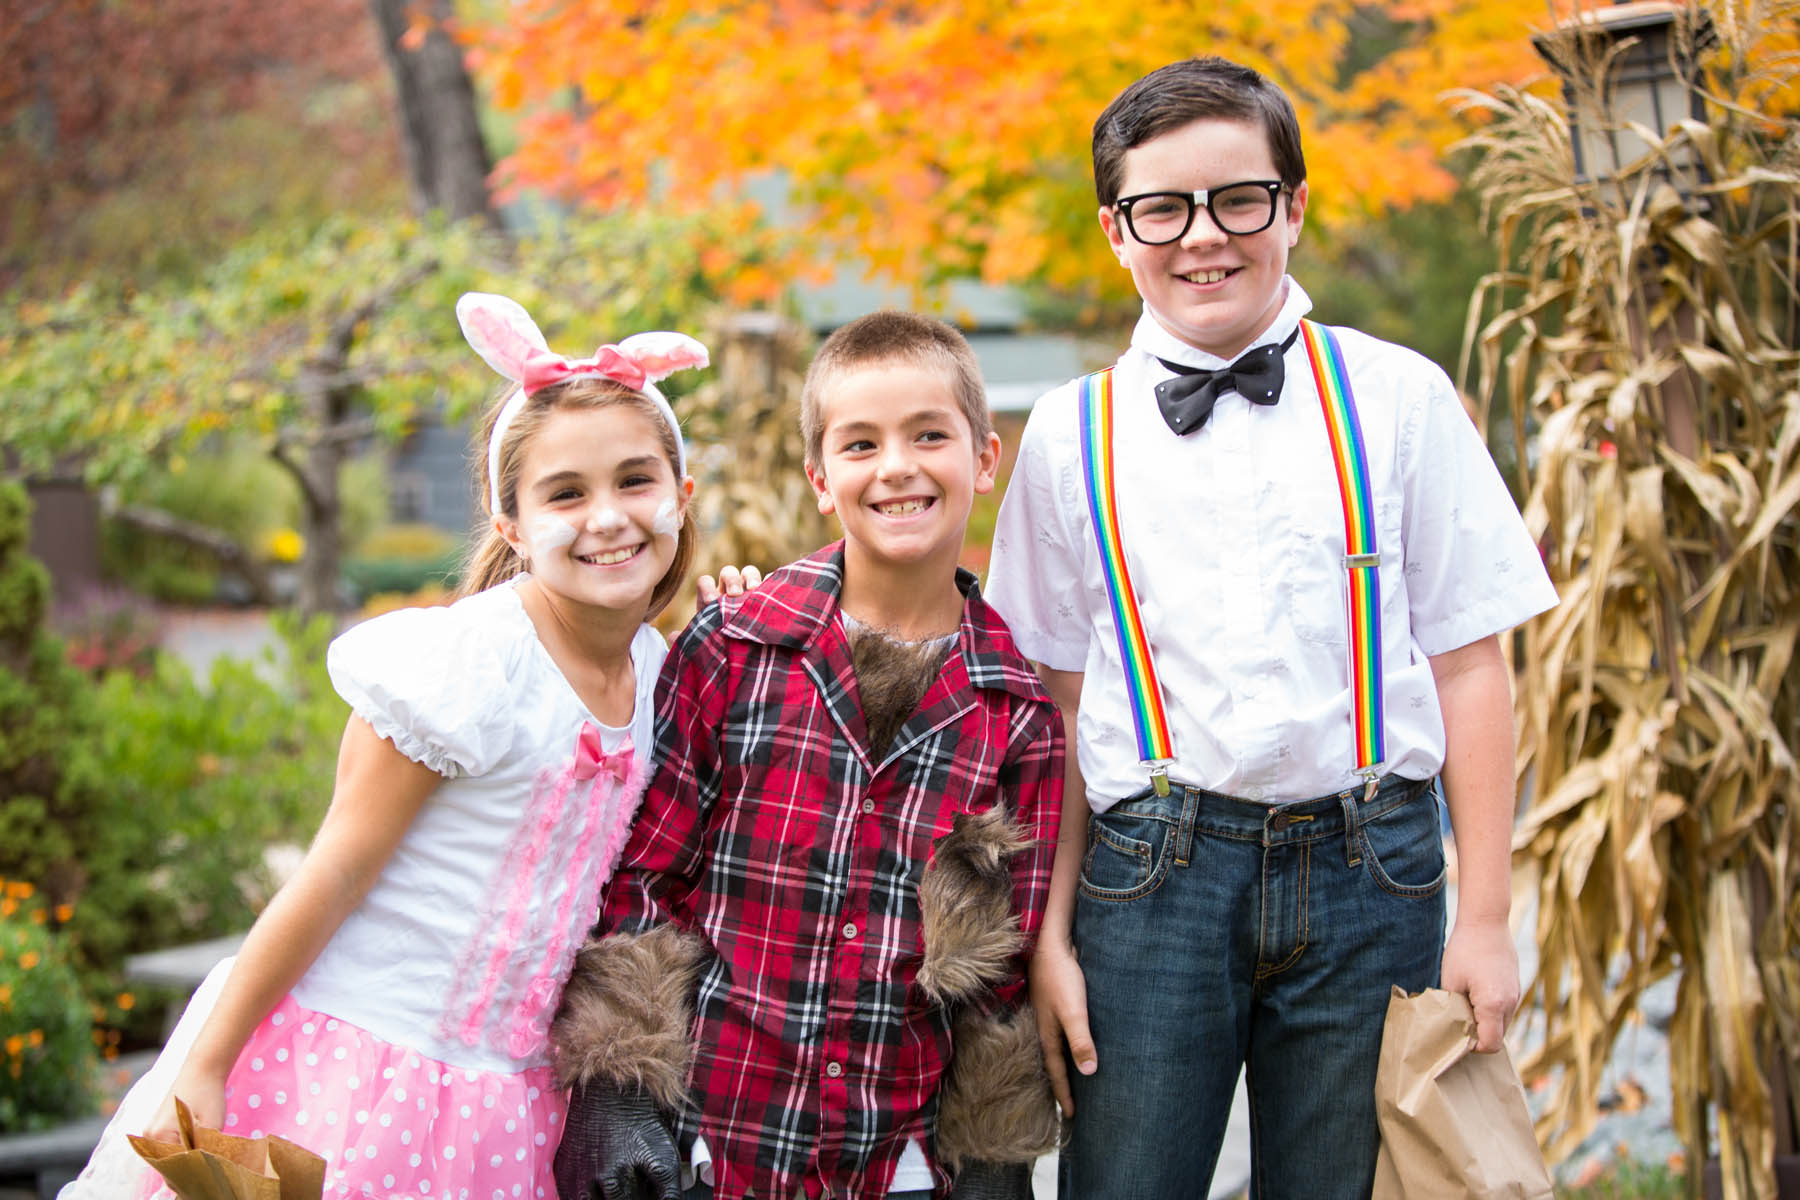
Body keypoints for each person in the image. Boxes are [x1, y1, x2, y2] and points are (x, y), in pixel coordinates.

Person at [981, 56, 1560, 1199]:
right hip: (1153, 879)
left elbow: (1471, 662)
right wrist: (1046, 940)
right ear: (1115, 228)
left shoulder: (1397, 395)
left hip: (1373, 869)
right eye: (1164, 208)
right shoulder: (1067, 433)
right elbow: (1053, 706)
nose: (1204, 237)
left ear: (1293, 205)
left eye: (1238, 199)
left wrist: (1484, 918)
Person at [62, 293, 711, 1200]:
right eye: (566, 493)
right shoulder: (472, 663)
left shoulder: (664, 672)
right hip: (364, 1065)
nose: (607, 518)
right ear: (511, 521)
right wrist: (206, 1064)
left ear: (680, 497)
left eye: (635, 482)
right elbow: (331, 874)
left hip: (510, 1103)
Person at [548, 311, 1066, 1200]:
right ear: (821, 478)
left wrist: (995, 1163)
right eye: (860, 444)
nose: (896, 465)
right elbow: (647, 882)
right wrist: (620, 1092)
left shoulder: (1016, 712)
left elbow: (996, 970)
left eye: (929, 435)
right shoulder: (734, 647)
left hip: (901, 1161)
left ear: (985, 458)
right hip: (719, 1144)